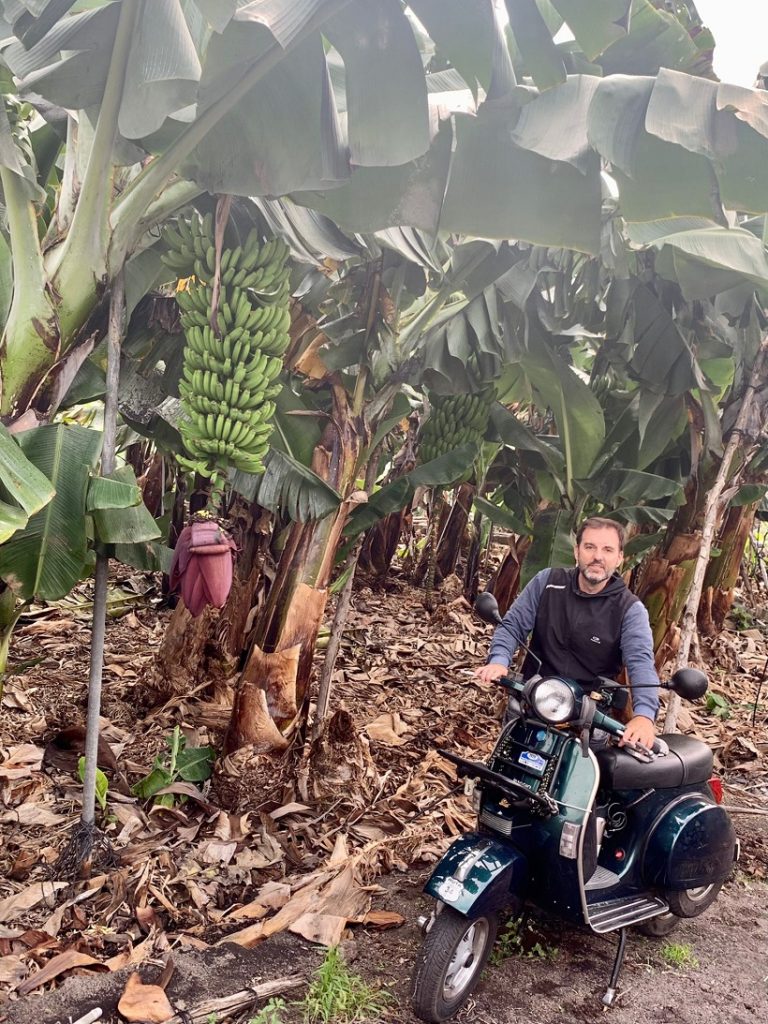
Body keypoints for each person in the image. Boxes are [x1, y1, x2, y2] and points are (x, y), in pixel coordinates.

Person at [475, 517, 659, 749]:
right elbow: (513, 625)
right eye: (589, 547)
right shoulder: (548, 582)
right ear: (576, 551)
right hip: (532, 700)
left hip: (588, 717)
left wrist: (644, 715)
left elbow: (641, 663)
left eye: (608, 549)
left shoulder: (629, 609)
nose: (597, 557)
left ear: (620, 558)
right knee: (500, 777)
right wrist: (499, 661)